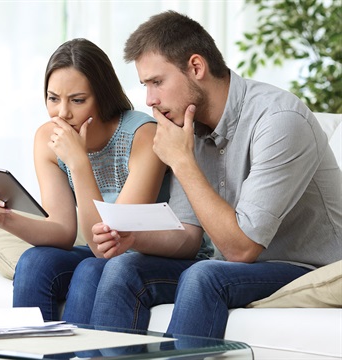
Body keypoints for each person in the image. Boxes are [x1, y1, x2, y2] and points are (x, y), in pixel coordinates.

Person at [63, 11, 342, 338]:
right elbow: (188, 235)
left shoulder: (279, 120)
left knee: (204, 276)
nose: (149, 100)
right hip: (236, 266)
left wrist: (182, 162)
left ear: (196, 67)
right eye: (145, 85)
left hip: (308, 267)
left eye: (157, 82)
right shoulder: (187, 128)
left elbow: (241, 250)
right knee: (124, 267)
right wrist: (133, 238)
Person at [0, 38, 172, 321]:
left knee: (91, 270)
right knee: (34, 262)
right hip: (103, 252)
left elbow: (108, 244)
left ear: (102, 96)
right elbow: (62, 231)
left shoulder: (144, 136)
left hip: (140, 253)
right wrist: (3, 218)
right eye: (53, 98)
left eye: (77, 100)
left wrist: (79, 163)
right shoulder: (48, 138)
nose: (62, 113)